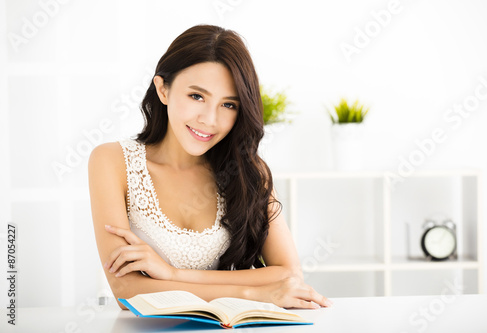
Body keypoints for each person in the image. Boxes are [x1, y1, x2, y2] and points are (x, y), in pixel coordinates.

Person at [88, 24, 331, 310]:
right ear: (163, 89)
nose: (209, 120)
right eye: (197, 96)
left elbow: (289, 274)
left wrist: (173, 275)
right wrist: (256, 293)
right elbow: (126, 290)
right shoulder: (112, 161)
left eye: (229, 105)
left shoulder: (250, 172)